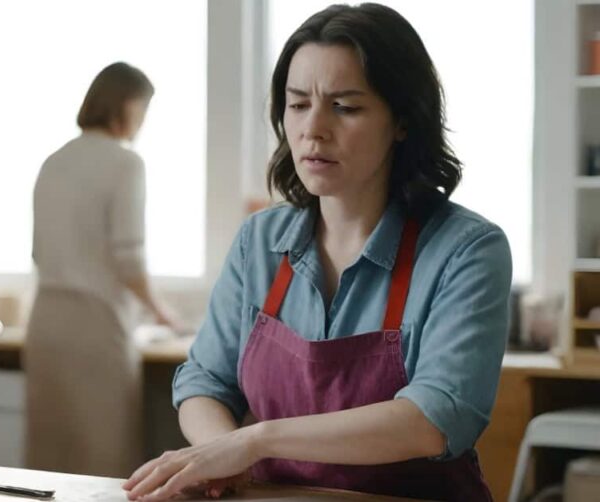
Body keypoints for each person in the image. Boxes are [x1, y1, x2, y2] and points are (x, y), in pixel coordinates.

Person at [123, 4, 511, 501]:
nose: (313, 128)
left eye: (345, 107)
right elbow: (202, 380)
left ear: (403, 122)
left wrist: (255, 441)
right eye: (298, 103)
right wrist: (220, 452)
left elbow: (436, 415)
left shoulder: (467, 250)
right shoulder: (258, 242)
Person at [25, 62, 181, 477]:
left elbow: (39, 254)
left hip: (44, 324)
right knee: (102, 467)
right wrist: (164, 312)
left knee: (46, 467)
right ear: (128, 106)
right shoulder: (125, 163)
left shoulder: (53, 161)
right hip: (94, 328)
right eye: (143, 111)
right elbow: (128, 259)